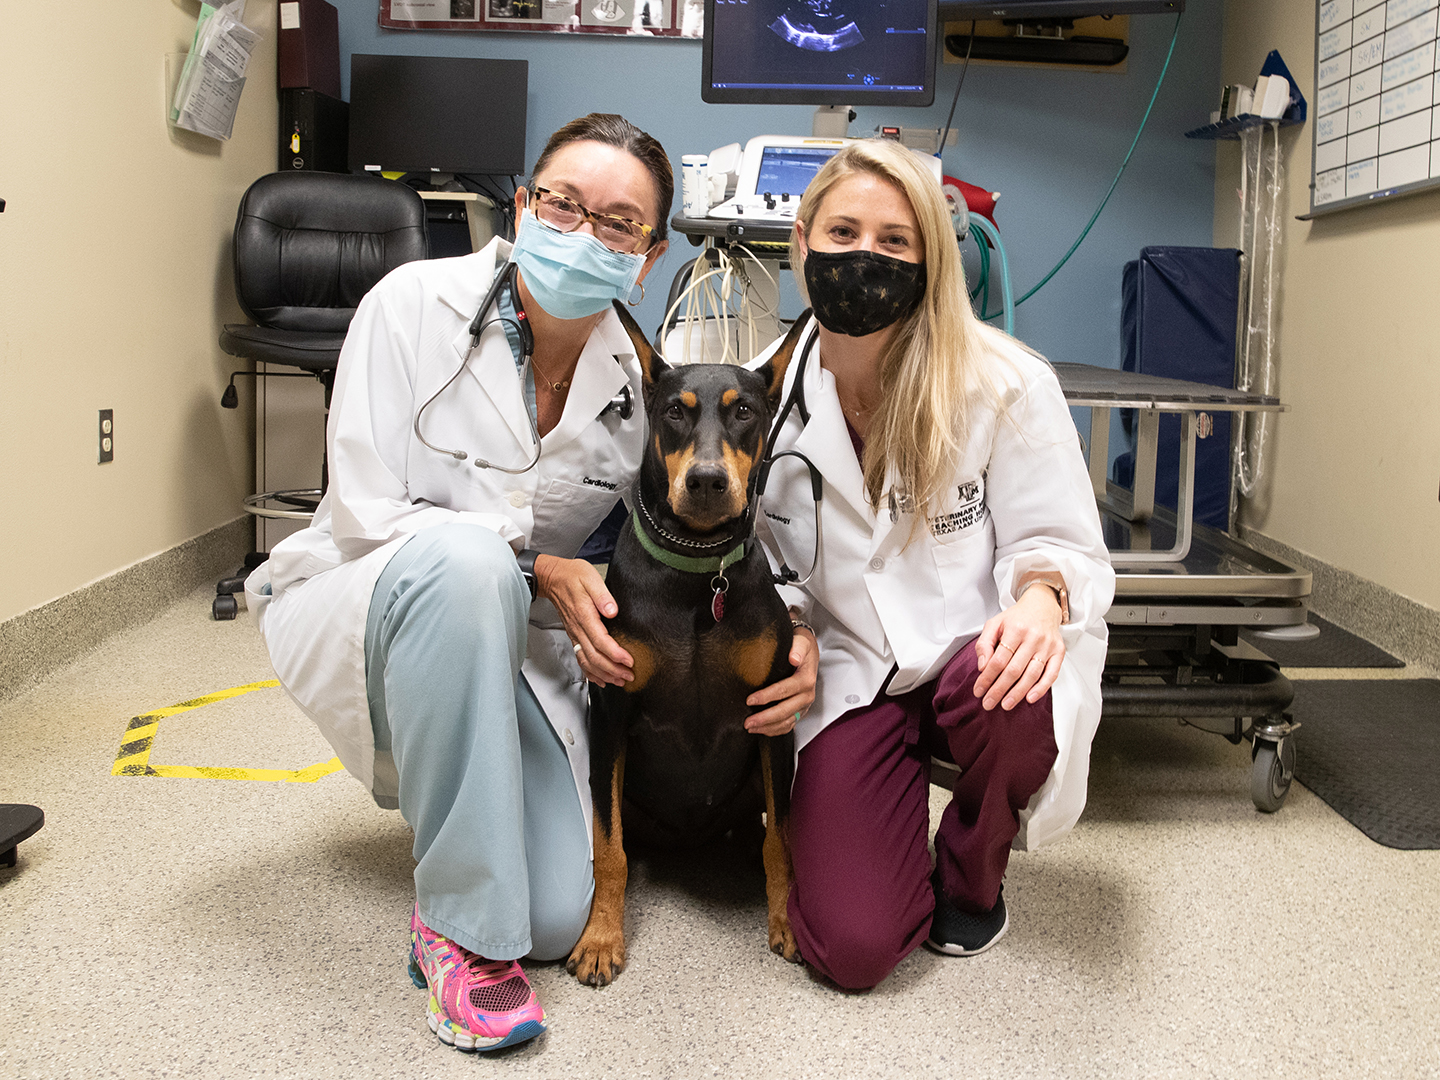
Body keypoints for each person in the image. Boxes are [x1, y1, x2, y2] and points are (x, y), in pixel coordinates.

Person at [246, 113, 815, 1051]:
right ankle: (456, 932)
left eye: (621, 222)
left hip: (515, 641)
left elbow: (700, 511)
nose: (587, 233)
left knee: (554, 919)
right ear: (522, 205)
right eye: (563, 204)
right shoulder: (408, 304)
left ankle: (488, 869)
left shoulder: (640, 384)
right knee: (471, 561)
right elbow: (364, 512)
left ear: (650, 251)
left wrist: (796, 623)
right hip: (379, 594)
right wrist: (540, 567)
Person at [750, 139, 1115, 991]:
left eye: (895, 241)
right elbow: (764, 557)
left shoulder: (1003, 381)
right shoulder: (766, 396)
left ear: (930, 260)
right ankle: (876, 828)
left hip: (969, 663)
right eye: (842, 231)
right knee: (853, 949)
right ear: (801, 241)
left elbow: (1060, 544)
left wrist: (1039, 600)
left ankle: (972, 872)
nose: (863, 258)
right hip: (851, 670)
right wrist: (795, 629)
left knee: (1017, 678)